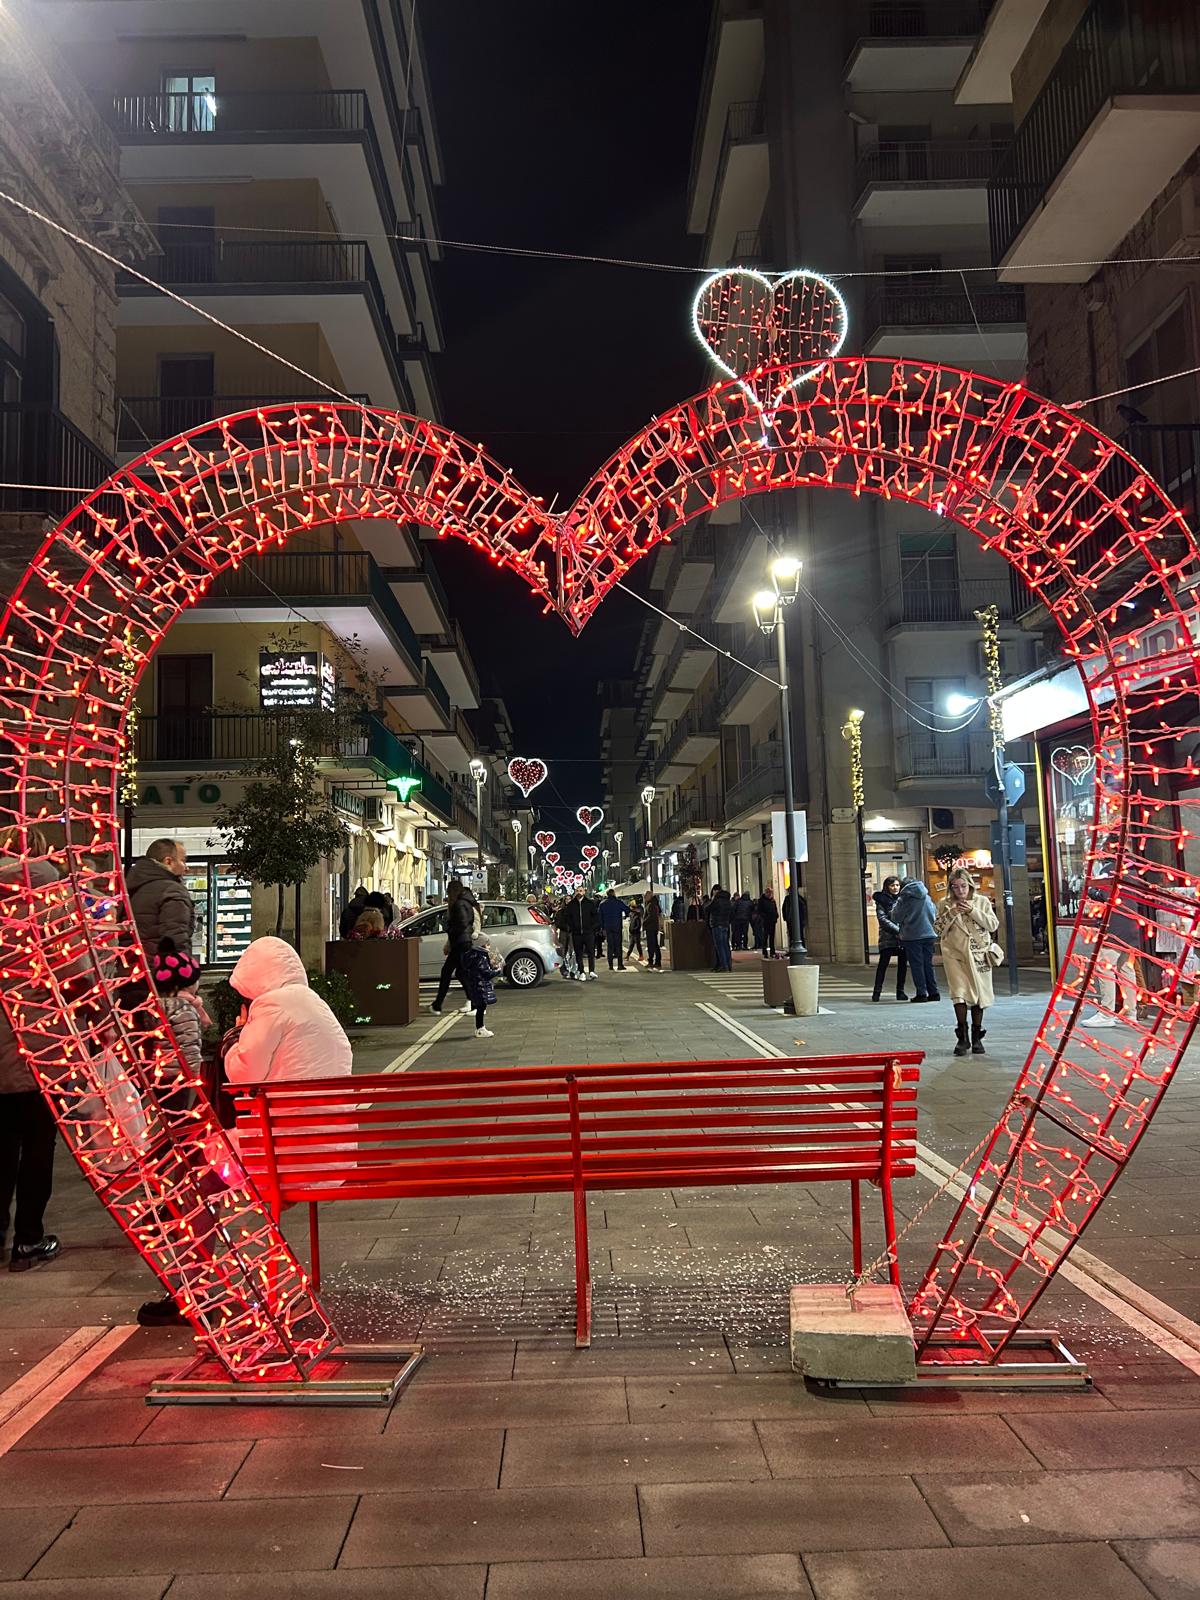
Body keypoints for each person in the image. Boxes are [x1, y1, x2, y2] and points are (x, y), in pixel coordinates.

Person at [0, 830, 68, 1271]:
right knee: (38, 1144)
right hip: (41, 1046)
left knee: (1, 1146)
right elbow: (77, 968)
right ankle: (27, 1239)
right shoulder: (52, 901)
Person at [935, 869, 1000, 1055]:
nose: (960, 890)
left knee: (979, 994)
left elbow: (993, 925)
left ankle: (977, 1036)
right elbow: (938, 928)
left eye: (963, 886)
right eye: (955, 887)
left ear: (970, 885)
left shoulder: (982, 901)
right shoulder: (944, 904)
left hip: (979, 954)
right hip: (954, 954)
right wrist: (952, 913)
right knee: (959, 993)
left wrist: (972, 911)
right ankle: (962, 1037)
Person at [151, 938, 209, 1102]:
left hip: (158, 1073)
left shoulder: (158, 1006)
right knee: (180, 1118)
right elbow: (189, 1046)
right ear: (188, 984)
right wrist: (196, 1076)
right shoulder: (185, 1009)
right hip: (179, 1075)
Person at [126, 838, 195, 955]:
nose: (186, 868)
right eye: (183, 861)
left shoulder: (130, 885)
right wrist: (181, 968)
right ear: (168, 861)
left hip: (131, 964)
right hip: (160, 968)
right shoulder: (172, 890)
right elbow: (175, 937)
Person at [430, 879, 479, 1013]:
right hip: (462, 942)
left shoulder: (459, 904)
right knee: (460, 973)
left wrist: (449, 928)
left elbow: (461, 924)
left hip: (460, 942)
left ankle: (438, 1005)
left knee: (448, 972)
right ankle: (472, 1001)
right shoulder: (466, 903)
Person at [895, 876, 940, 1003]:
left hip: (913, 935)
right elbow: (934, 912)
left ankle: (921, 993)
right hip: (929, 934)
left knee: (917, 965)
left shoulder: (904, 898)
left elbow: (896, 916)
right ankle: (934, 992)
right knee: (928, 964)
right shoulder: (926, 896)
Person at [871, 877, 909, 1002]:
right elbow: (882, 919)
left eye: (897, 885)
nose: (895, 888)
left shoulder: (903, 899)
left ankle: (900, 992)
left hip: (902, 938)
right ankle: (877, 992)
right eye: (892, 885)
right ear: (887, 887)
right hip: (888, 937)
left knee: (903, 965)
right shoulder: (882, 900)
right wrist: (898, 931)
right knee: (883, 965)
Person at [564, 887, 599, 981]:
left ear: (584, 892)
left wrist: (593, 928)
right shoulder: (571, 905)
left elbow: (595, 916)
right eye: (577, 891)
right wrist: (572, 927)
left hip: (588, 932)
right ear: (575, 892)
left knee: (591, 952)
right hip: (576, 933)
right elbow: (567, 917)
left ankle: (592, 971)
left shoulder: (590, 903)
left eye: (581, 891)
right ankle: (582, 972)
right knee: (578, 953)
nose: (579, 893)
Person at [599, 889, 629, 970]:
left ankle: (610, 965)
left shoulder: (602, 904)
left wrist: (602, 928)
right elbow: (627, 909)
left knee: (610, 946)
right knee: (618, 946)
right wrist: (625, 916)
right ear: (613, 894)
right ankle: (620, 965)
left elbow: (600, 917)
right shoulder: (618, 902)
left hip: (607, 927)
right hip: (617, 926)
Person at [707, 883, 733, 972]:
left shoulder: (716, 900)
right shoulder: (727, 900)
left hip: (717, 924)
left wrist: (713, 899)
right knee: (725, 945)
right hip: (725, 925)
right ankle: (728, 965)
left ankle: (723, 965)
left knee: (719, 946)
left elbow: (708, 909)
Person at [757, 886, 779, 958]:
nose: (770, 894)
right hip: (765, 921)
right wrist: (764, 917)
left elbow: (775, 909)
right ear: (766, 893)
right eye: (768, 893)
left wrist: (776, 916)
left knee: (772, 937)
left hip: (772, 921)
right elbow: (759, 911)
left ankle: (772, 951)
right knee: (765, 936)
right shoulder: (761, 901)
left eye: (771, 893)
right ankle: (765, 951)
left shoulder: (773, 901)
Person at [643, 891, 663, 970]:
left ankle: (653, 961)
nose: (644, 897)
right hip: (652, 927)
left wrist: (644, 922)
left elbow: (651, 916)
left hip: (651, 927)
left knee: (652, 945)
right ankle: (656, 961)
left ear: (649, 896)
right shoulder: (653, 904)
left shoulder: (651, 905)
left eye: (645, 896)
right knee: (654, 945)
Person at [626, 897, 644, 963]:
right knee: (632, 944)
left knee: (637, 944)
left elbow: (638, 925)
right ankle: (628, 955)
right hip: (633, 931)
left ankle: (641, 955)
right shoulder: (632, 915)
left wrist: (634, 929)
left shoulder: (636, 915)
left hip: (635, 932)